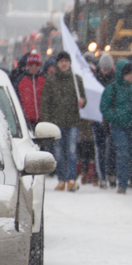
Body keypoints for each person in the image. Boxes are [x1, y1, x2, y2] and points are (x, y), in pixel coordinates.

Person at [40, 50, 86, 191]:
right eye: (61, 61)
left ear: (70, 63)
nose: (64, 64)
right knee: (58, 153)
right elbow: (45, 102)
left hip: (72, 121)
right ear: (57, 64)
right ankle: (61, 179)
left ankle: (71, 179)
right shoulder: (51, 81)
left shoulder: (76, 79)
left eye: (66, 61)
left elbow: (83, 99)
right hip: (56, 122)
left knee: (72, 152)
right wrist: (46, 121)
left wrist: (82, 102)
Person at [100, 60, 132, 194]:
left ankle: (125, 178)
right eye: (128, 73)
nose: (131, 76)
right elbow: (104, 107)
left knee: (131, 154)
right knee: (123, 152)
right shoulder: (112, 88)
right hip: (118, 126)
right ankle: (122, 182)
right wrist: (116, 117)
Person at [93, 52, 116, 188]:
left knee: (112, 148)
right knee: (100, 149)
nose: (105, 71)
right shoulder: (94, 79)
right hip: (98, 118)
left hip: (110, 118)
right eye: (104, 68)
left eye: (108, 69)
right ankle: (102, 175)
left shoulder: (115, 81)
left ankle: (111, 173)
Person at [17, 52, 45, 130]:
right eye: (31, 66)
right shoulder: (21, 81)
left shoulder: (44, 80)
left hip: (42, 121)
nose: (34, 68)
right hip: (27, 121)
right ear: (28, 66)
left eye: (36, 66)